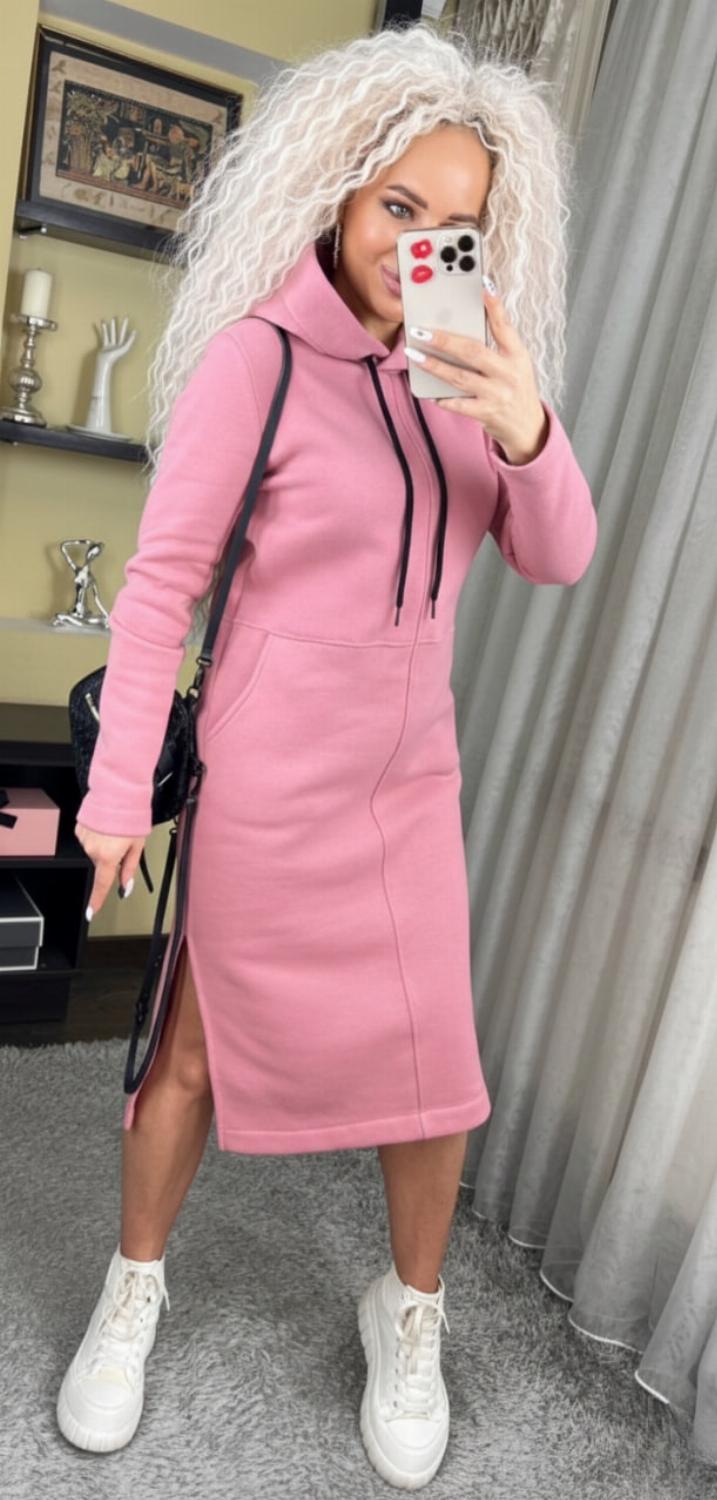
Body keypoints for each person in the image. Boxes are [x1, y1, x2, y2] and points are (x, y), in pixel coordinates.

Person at [55, 21, 597, 1489]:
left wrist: (526, 424)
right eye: (397, 206)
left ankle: (408, 1312)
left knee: (438, 1070)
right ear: (342, 193)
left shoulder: (477, 373)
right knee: (193, 1052)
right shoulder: (261, 361)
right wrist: (117, 789)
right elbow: (162, 586)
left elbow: (559, 554)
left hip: (407, 787)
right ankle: (133, 1289)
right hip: (267, 784)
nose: (418, 243)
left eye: (453, 223)